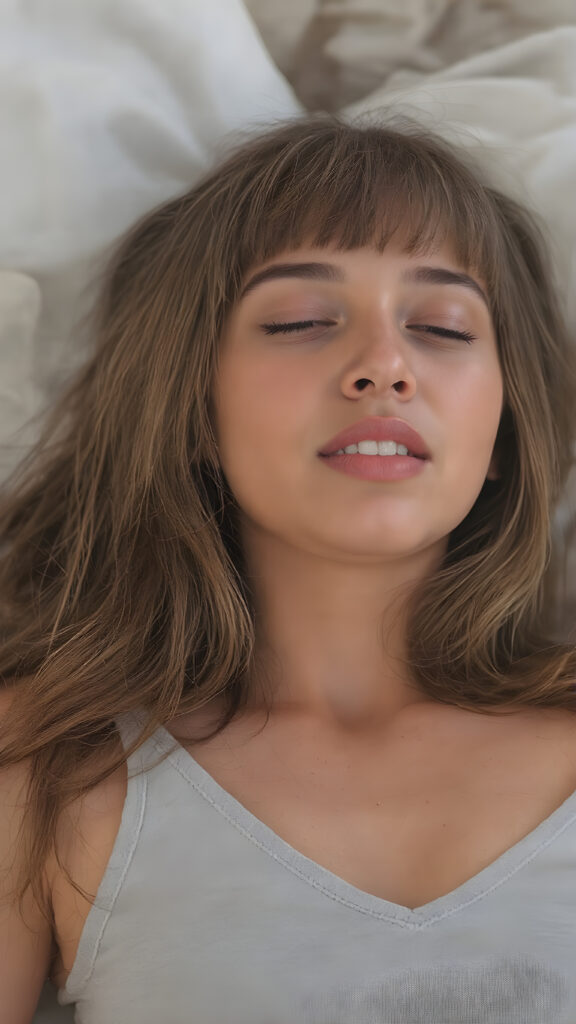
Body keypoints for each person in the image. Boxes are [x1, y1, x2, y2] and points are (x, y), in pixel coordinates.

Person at [1, 113, 576, 1024]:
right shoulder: (46, 765)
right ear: (191, 408)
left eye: (441, 326)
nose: (385, 366)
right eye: (300, 321)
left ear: (506, 429)